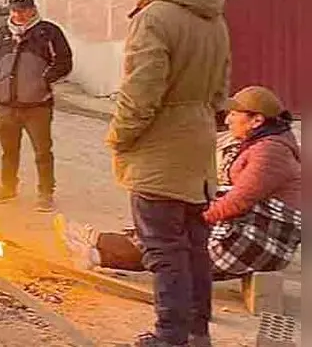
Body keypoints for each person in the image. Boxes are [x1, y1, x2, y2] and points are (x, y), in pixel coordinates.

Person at [104, 0, 231, 347]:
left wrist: (120, 137)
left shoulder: (156, 17)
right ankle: (197, 330)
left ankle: (169, 336)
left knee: (163, 248)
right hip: (197, 149)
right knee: (194, 244)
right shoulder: (213, 17)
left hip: (160, 150)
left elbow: (142, 92)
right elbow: (220, 91)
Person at [56, 86, 301, 297]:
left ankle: (98, 246)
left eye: (234, 114)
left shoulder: (271, 153)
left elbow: (239, 199)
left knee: (178, 240)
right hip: (246, 224)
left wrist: (199, 217)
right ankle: (98, 248)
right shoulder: (258, 141)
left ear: (256, 120)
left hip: (261, 238)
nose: (227, 119)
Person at [0, 0, 72, 212]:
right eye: (15, 10)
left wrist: (45, 80)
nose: (19, 15)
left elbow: (64, 61)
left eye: (24, 10)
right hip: (6, 107)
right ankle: (8, 187)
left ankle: (45, 193)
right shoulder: (2, 34)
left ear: (33, 9)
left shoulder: (48, 32)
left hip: (37, 106)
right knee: (8, 151)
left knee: (43, 151)